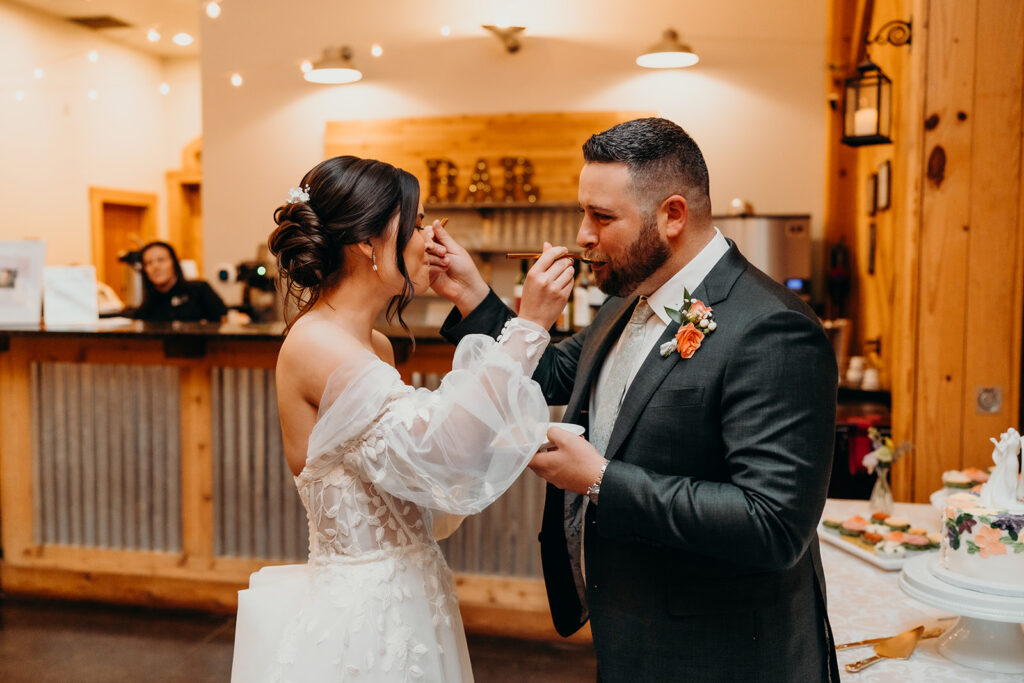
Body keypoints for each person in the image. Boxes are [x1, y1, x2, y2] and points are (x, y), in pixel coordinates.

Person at [432, 118, 841, 681]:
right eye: (584, 213)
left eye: (602, 217)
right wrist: (471, 292)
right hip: (632, 628)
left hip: (720, 653)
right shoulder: (632, 299)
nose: (582, 235)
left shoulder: (773, 330)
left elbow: (772, 525)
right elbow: (553, 372)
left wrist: (600, 479)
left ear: (673, 215)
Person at [229, 155, 573, 682]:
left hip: (416, 592)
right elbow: (441, 453)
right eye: (413, 224)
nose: (431, 236)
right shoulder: (317, 344)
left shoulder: (375, 346)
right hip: (363, 619)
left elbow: (420, 472)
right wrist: (528, 327)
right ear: (369, 242)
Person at [131, 241, 227, 322]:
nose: (155, 267)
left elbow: (223, 318)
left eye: (161, 260)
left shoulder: (199, 290)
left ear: (174, 263)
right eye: (149, 263)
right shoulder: (148, 304)